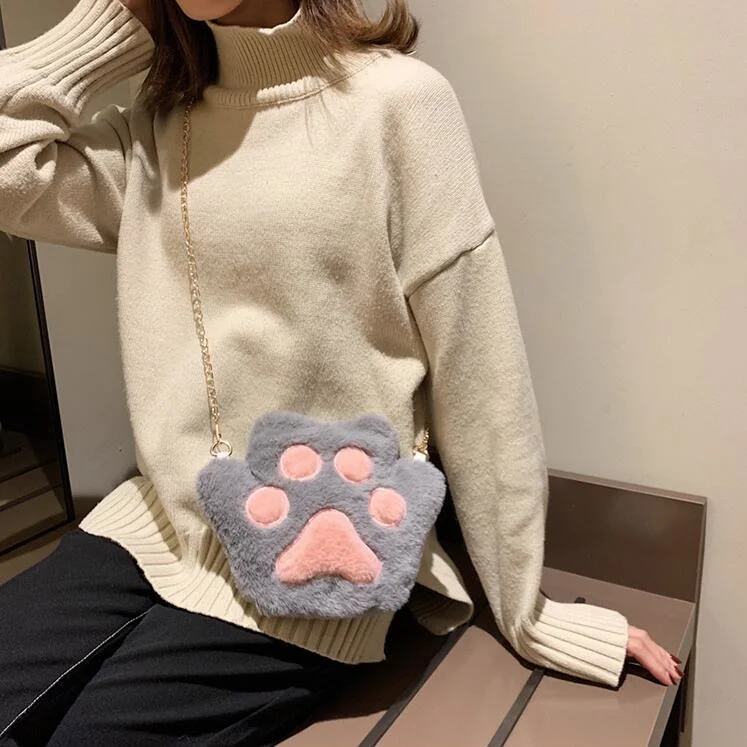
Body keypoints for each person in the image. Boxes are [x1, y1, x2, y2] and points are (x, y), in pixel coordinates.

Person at [0, 0, 682, 744]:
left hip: (319, 553)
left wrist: (527, 610)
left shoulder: (397, 104)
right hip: (156, 526)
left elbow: (479, 368)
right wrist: (111, 26)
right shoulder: (160, 125)